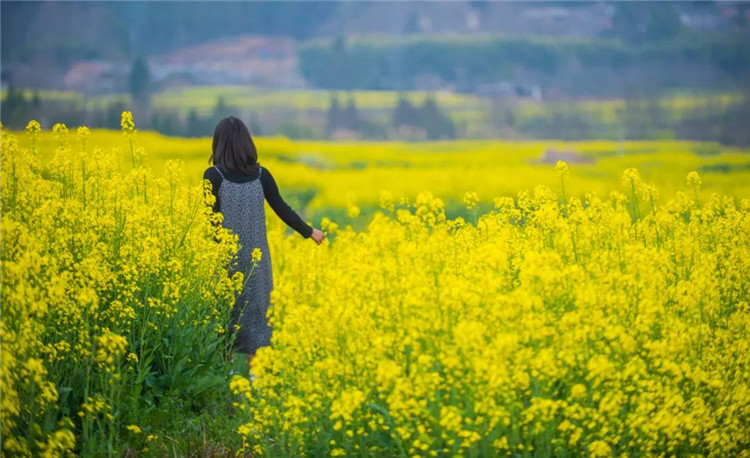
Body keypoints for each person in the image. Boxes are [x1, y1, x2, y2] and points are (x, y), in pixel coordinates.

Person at [203, 116, 325, 378]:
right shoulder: (262, 175)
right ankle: (256, 384)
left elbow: (210, 221)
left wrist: (213, 259)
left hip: (225, 262)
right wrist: (310, 232)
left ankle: (225, 384)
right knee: (257, 317)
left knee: (225, 318)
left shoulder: (213, 176)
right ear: (247, 144)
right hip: (258, 264)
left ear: (219, 144)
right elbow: (282, 209)